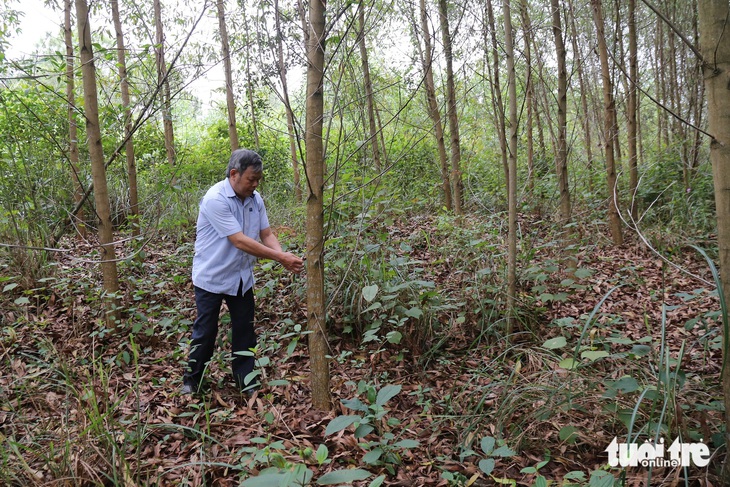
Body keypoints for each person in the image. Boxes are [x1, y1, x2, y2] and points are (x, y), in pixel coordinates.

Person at [182, 149, 303, 395]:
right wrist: (280, 257)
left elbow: (266, 233)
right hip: (211, 277)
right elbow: (238, 240)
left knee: (245, 330)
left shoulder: (255, 199)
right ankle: (192, 381)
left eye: (258, 179)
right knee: (206, 331)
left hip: (241, 278)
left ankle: (245, 381)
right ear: (234, 174)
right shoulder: (216, 199)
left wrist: (282, 256)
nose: (255, 184)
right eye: (251, 179)